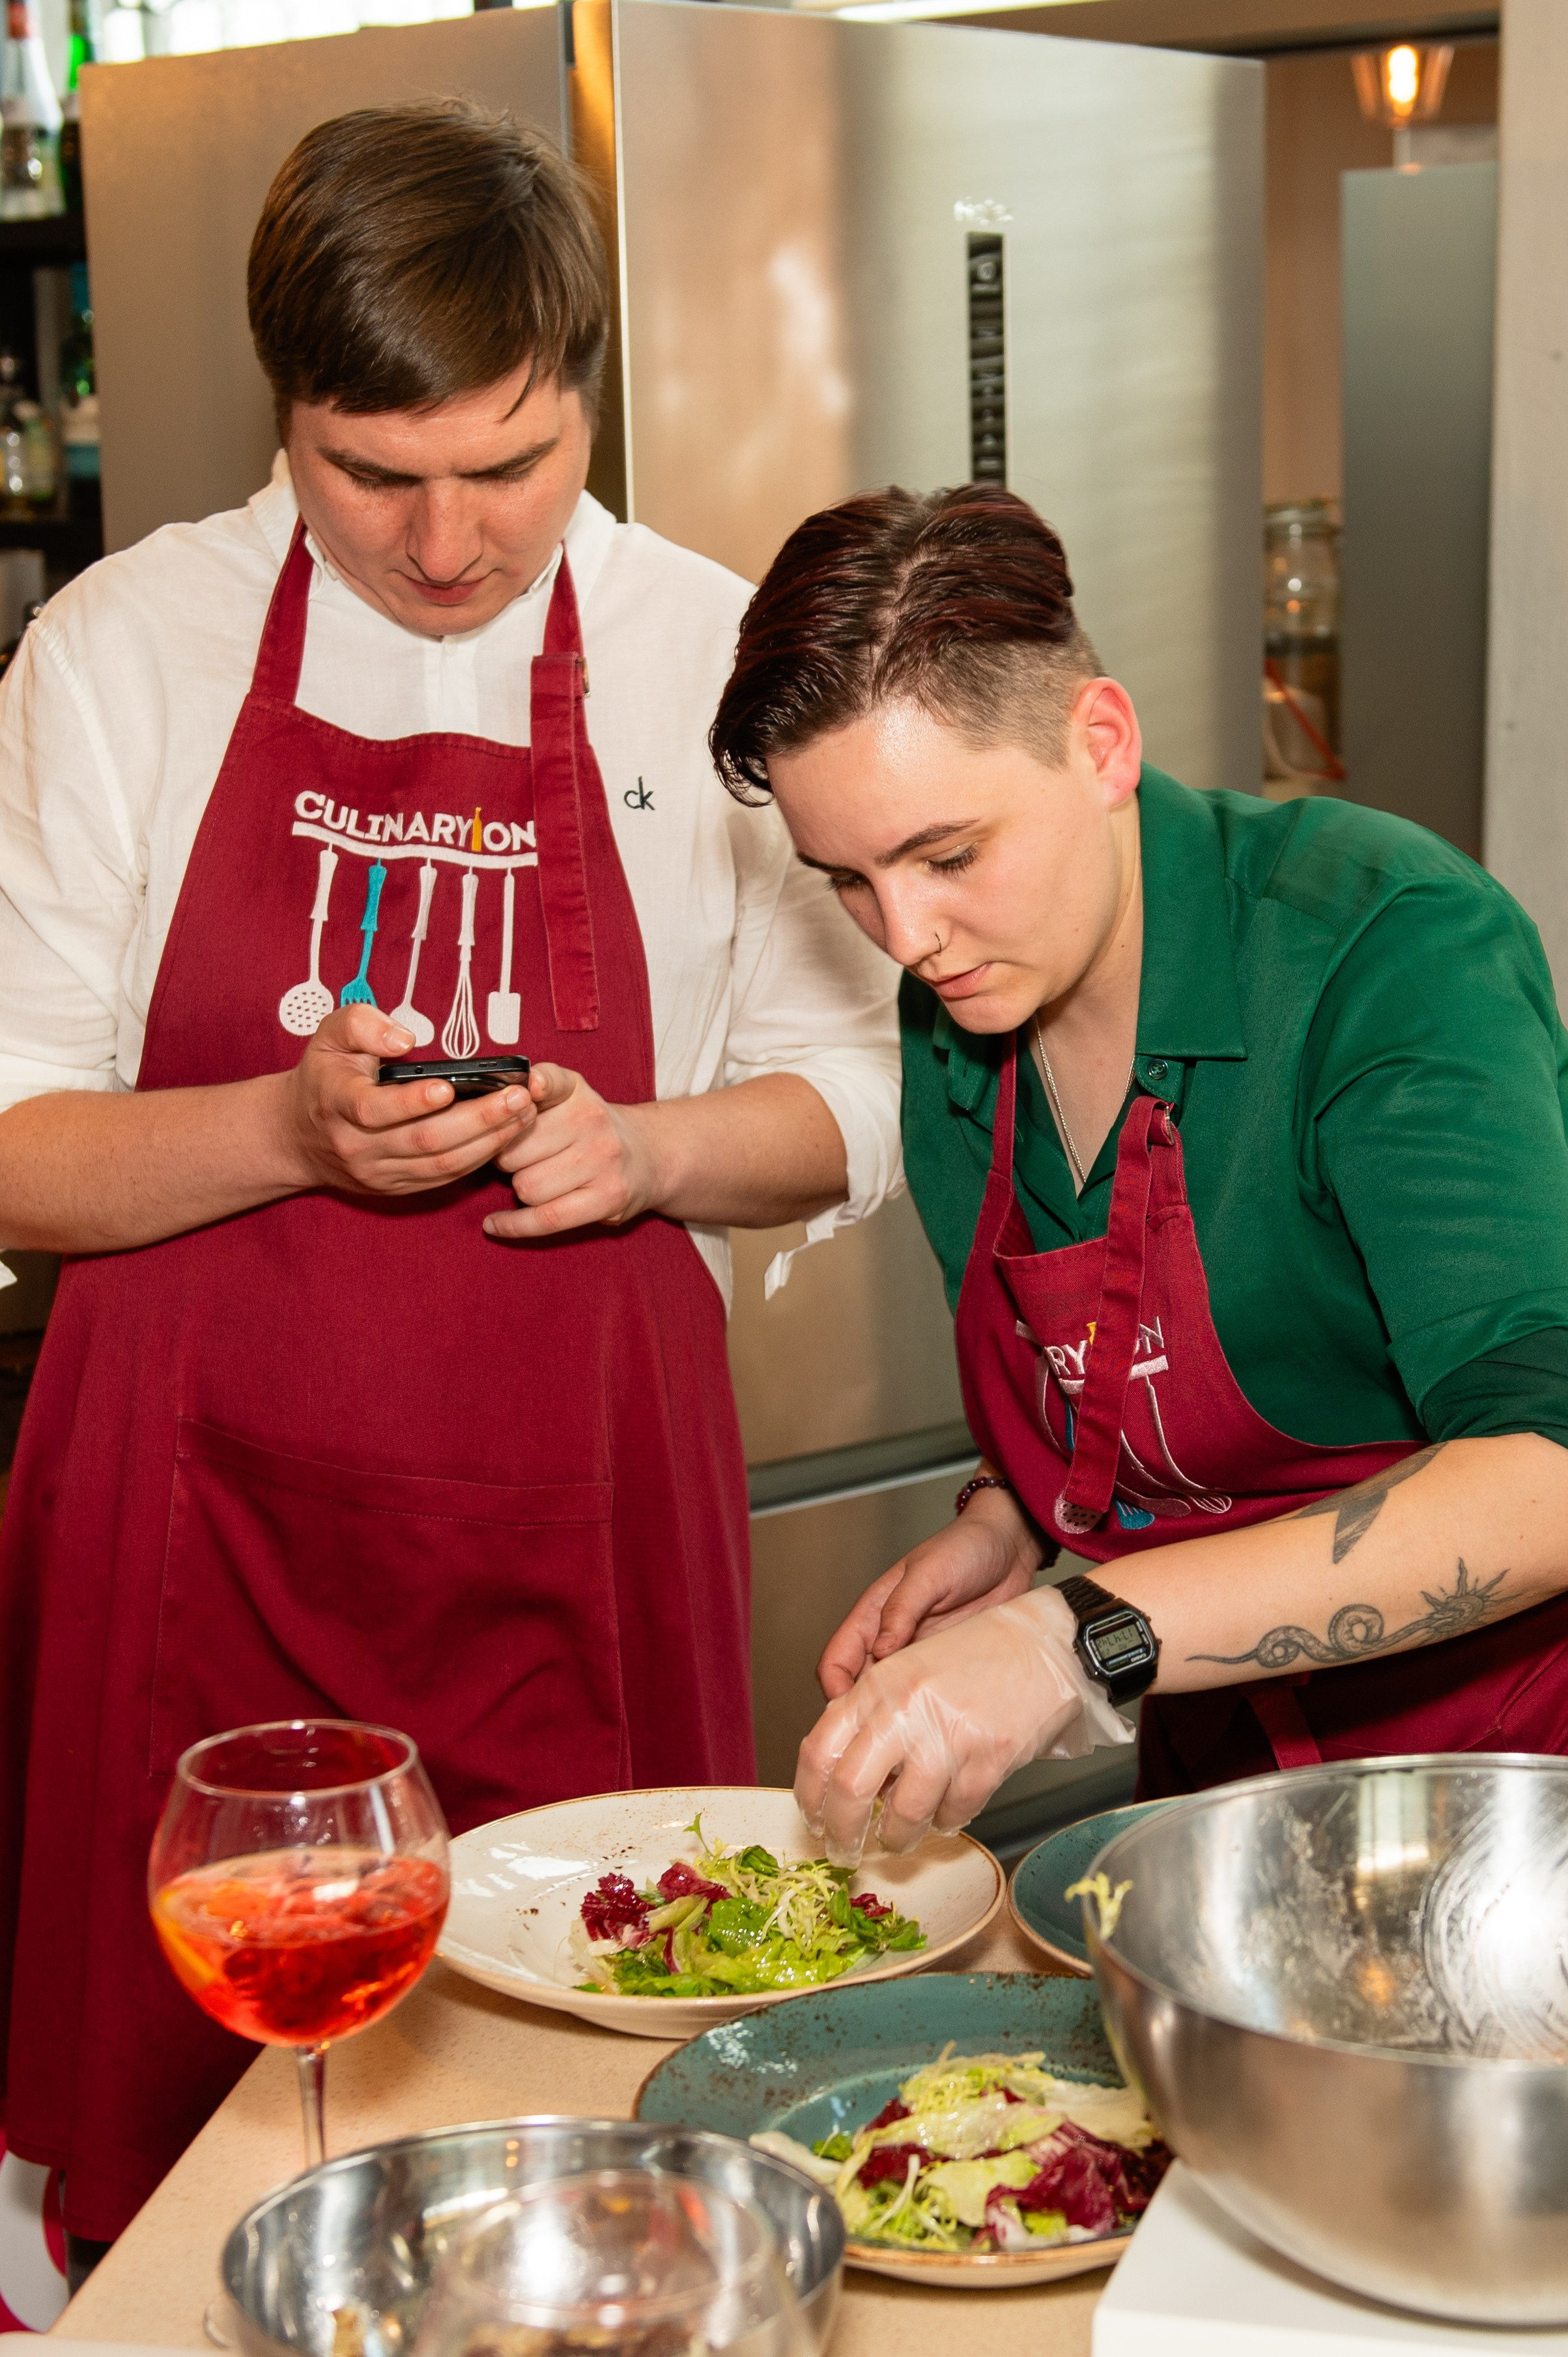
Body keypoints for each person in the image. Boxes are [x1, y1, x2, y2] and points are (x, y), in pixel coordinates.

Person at [0, 102, 900, 2247]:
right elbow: (13, 1146)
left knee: (590, 2149)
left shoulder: (709, 654)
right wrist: (281, 1128)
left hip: (573, 1519)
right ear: (279, 420)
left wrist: (650, 1141)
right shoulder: (124, 651)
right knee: (178, 2168)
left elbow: (853, 1094)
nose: (438, 544)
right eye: (368, 475)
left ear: (589, 385)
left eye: (505, 468)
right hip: (186, 1537)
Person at [707, 481, 1568, 1867]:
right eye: (847, 881)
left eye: (947, 854)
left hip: (1507, 1804)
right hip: (1216, 1800)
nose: (906, 938)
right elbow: (1116, 1369)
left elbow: (1549, 1472)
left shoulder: (1382, 951)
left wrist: (1074, 1638)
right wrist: (1008, 1529)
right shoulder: (964, 1023)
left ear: (1099, 741)